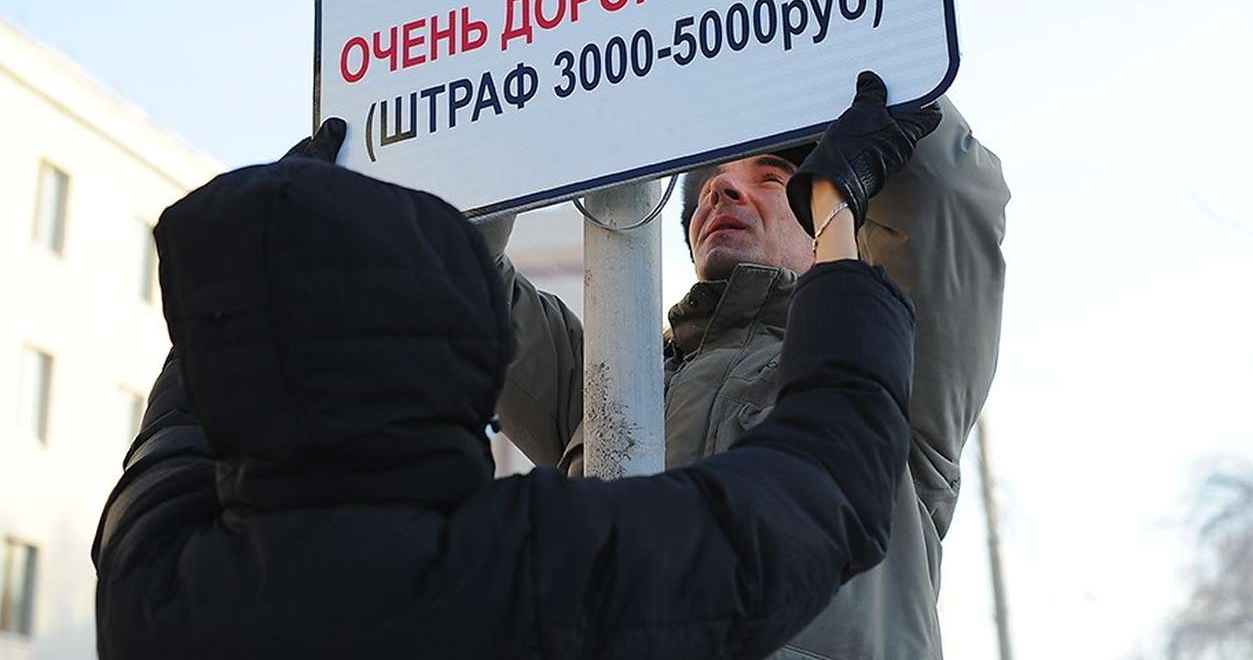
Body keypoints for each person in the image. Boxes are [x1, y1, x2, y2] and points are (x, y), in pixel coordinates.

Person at [90, 90, 938, 660]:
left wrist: (275, 251)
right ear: (469, 359)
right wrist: (834, 210)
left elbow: (188, 405)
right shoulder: (526, 564)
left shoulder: (153, 581)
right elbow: (831, 477)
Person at [488, 72, 1009, 660]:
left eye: (770, 178)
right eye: (713, 183)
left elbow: (948, 195)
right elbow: (457, 279)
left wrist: (854, 49)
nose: (722, 191)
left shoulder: (887, 361)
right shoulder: (612, 383)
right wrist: (498, 105)